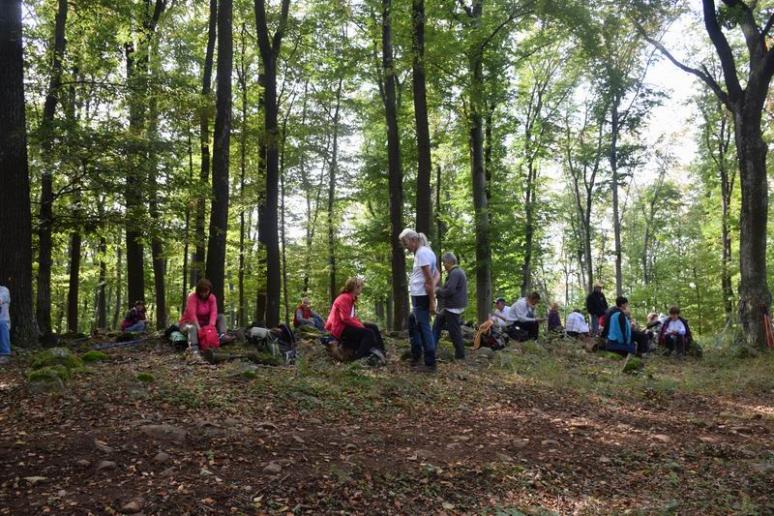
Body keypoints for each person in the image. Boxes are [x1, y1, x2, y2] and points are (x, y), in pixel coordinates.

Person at [400, 228, 438, 371]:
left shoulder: (422, 253)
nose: (406, 247)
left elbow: (429, 279)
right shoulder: (428, 252)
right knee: (413, 321)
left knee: (424, 327)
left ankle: (430, 363)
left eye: (406, 243)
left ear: (413, 240)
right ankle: (416, 354)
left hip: (420, 295)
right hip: (420, 295)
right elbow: (436, 275)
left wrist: (432, 300)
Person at [325, 277, 385, 363]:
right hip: (340, 328)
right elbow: (345, 318)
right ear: (354, 287)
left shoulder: (351, 298)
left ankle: (381, 352)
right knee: (368, 333)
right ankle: (357, 359)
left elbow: (352, 317)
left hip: (345, 325)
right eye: (360, 286)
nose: (362, 288)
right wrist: (360, 325)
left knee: (373, 326)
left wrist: (360, 323)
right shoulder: (345, 298)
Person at [180, 279, 232, 359]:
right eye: (201, 291)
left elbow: (214, 313)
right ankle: (194, 350)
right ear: (198, 290)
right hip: (188, 323)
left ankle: (222, 335)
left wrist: (210, 329)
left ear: (209, 290)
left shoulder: (212, 298)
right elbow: (192, 315)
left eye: (206, 291)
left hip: (204, 323)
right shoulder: (192, 297)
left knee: (221, 316)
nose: (203, 294)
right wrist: (199, 329)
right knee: (192, 328)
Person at [432, 252, 468, 360]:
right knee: (437, 323)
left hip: (453, 307)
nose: (443, 265)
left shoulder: (455, 273)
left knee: (454, 332)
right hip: (451, 306)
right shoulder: (456, 272)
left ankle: (460, 355)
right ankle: (431, 347)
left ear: (449, 262)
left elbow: (450, 290)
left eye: (444, 263)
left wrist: (438, 291)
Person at [0, 284, 10, 365]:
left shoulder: (4, 290)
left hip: (3, 324)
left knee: (2, 323)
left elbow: (2, 298)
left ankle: (5, 355)